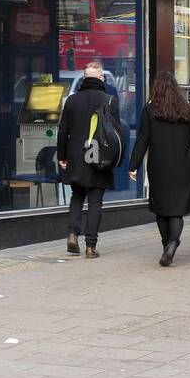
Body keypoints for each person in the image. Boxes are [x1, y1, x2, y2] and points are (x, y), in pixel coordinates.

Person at [128, 71, 190, 267]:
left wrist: (132, 166)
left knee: (161, 209)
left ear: (156, 88)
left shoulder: (150, 110)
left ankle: (166, 246)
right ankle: (173, 243)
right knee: (177, 211)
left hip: (159, 166)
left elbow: (143, 140)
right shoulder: (187, 109)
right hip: (183, 166)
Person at [56, 60, 122, 259]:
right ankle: (91, 247)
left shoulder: (72, 100)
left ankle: (72, 234)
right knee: (95, 201)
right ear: (101, 78)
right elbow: (116, 134)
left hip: (76, 157)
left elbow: (63, 131)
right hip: (99, 157)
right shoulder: (110, 101)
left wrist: (62, 156)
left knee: (77, 196)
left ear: (84, 79)